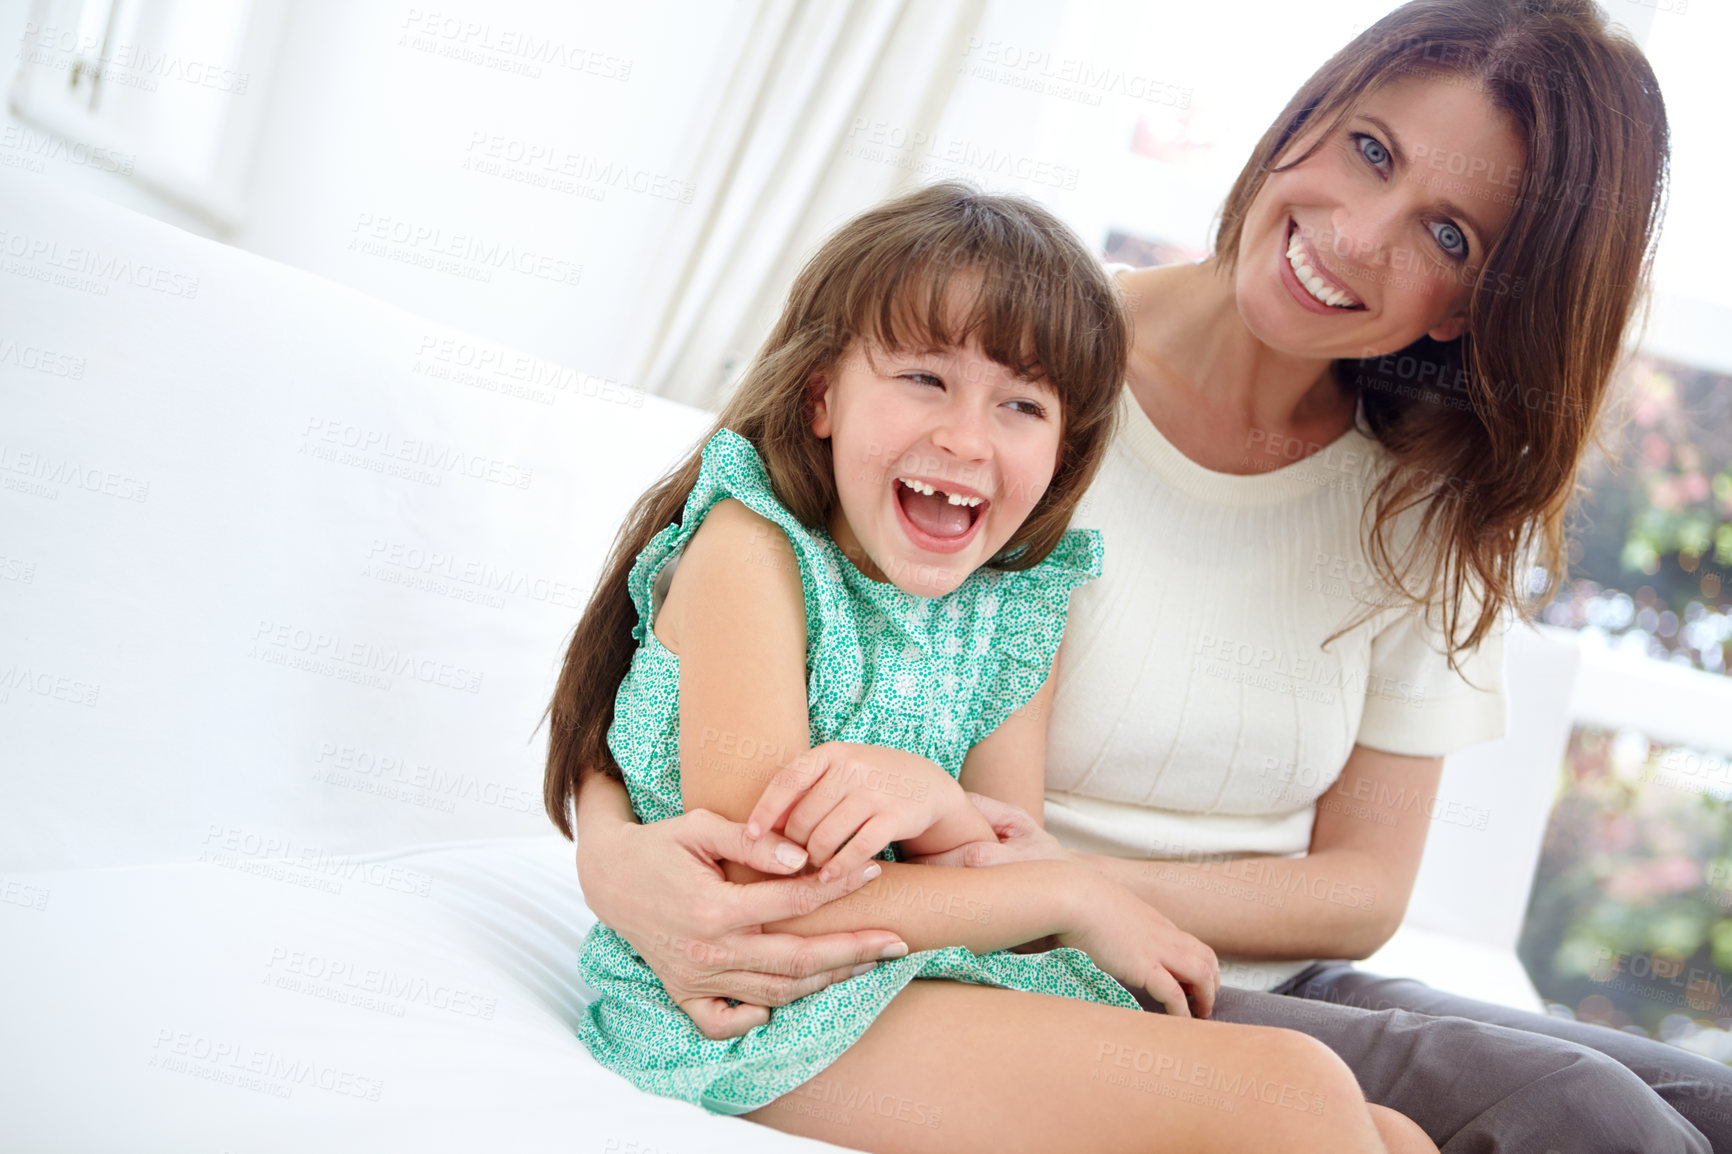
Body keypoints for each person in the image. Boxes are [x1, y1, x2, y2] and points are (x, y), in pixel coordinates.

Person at [563, 1, 1732, 1151]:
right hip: (1033, 955)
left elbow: (1349, 883)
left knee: (1702, 1104)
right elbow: (667, 659)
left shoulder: (1417, 497)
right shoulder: (1025, 371)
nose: (1359, 235)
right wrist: (615, 859)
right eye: (1370, 151)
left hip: (1164, 950)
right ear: (1307, 117)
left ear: (1485, 306)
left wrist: (1060, 880)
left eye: (1449, 237)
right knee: (1576, 1116)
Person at [544, 182, 1437, 1152]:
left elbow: (994, 853)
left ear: (1063, 454)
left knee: (1386, 1129)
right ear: (820, 395)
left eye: (1020, 403)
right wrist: (1077, 892)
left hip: (929, 967)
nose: (965, 438)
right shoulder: (750, 552)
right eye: (924, 378)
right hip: (761, 1009)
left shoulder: (1013, 602)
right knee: (1295, 1092)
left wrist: (933, 798)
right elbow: (770, 911)